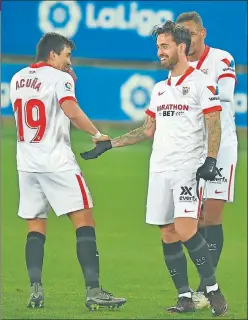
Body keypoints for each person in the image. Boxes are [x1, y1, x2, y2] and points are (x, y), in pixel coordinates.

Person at [81, 21, 228, 316]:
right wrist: (110, 145)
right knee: (168, 234)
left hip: (187, 168)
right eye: (158, 46)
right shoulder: (160, 89)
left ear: (181, 47)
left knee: (186, 229)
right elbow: (147, 129)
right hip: (159, 169)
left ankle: (212, 290)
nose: (159, 51)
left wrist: (210, 160)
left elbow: (214, 124)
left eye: (164, 46)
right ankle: (185, 297)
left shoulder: (201, 83)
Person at [9, 32, 126, 311]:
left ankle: (35, 289)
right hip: (57, 162)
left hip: (27, 163)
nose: (68, 61)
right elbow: (70, 110)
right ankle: (93, 290)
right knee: (84, 220)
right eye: (66, 55)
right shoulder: (59, 78)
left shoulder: (16, 79)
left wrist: (65, 81)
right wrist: (98, 134)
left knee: (35, 225)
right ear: (53, 54)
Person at [174, 11, 238, 306]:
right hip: (192, 148)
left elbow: (224, 94)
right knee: (191, 219)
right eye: (181, 35)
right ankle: (205, 287)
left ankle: (204, 290)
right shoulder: (179, 66)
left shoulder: (222, 59)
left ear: (203, 33)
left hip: (221, 146)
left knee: (211, 216)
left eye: (191, 33)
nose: (186, 40)